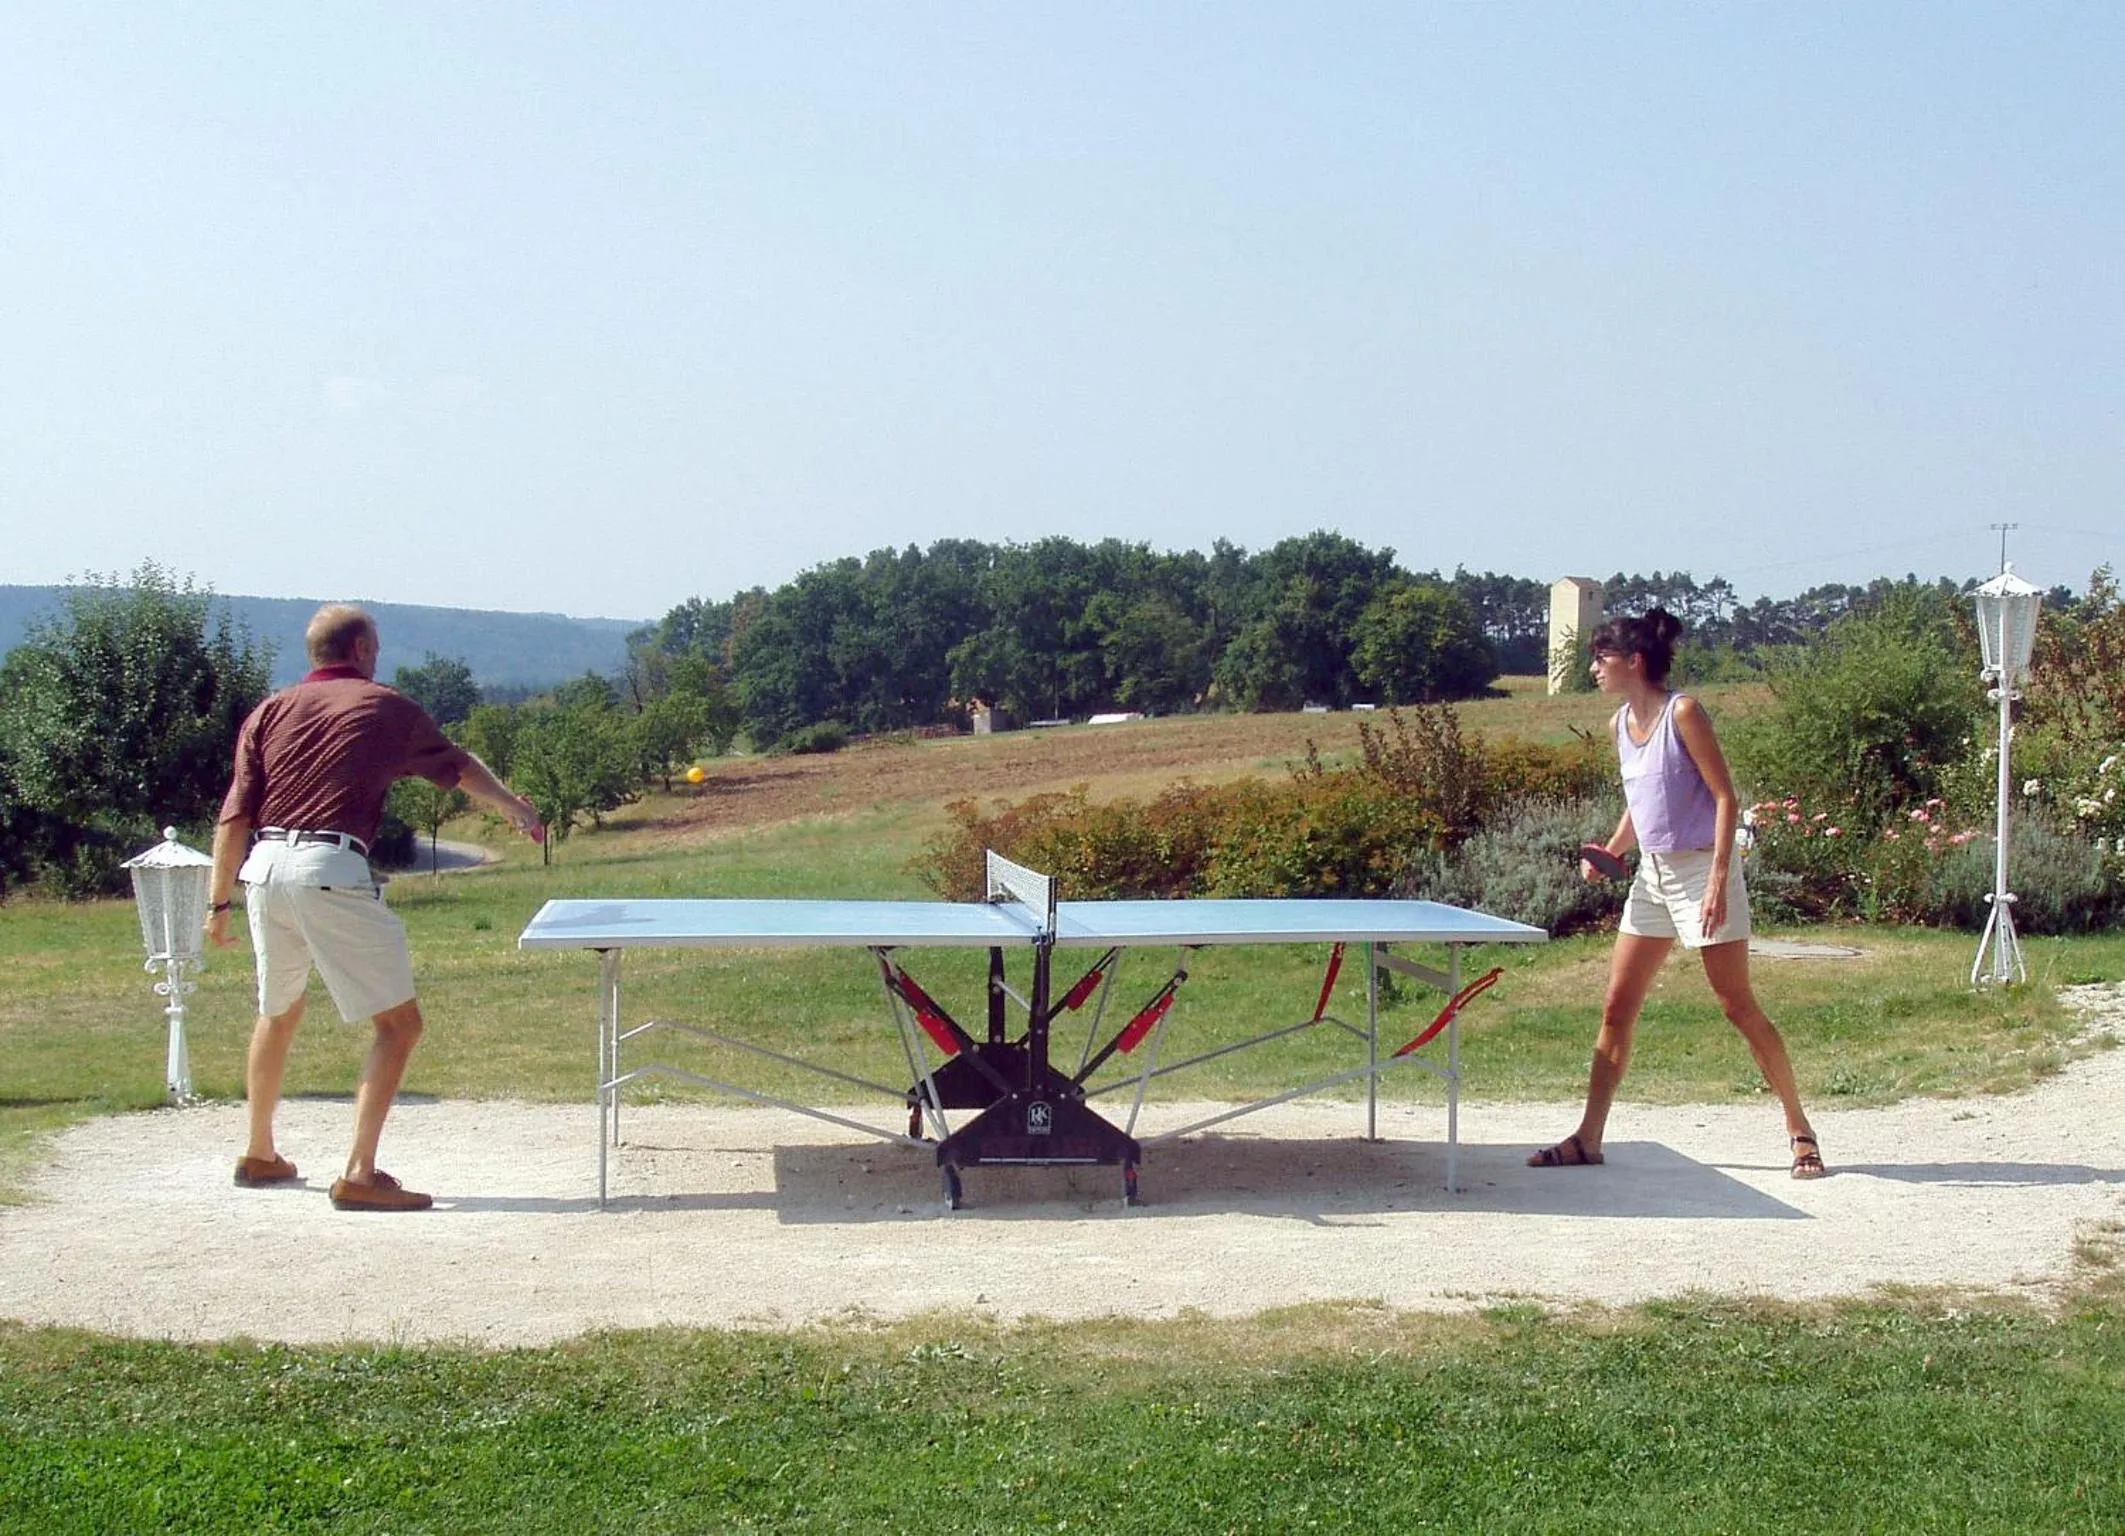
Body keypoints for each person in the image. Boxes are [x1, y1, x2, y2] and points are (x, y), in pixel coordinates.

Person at [205, 604, 545, 1211]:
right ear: (361, 649)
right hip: (328, 868)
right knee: (398, 1024)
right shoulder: (384, 707)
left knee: (277, 1010)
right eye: (377, 645)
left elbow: (235, 816)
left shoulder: (268, 711)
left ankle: (260, 1153)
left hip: (263, 869)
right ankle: (360, 1173)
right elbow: (457, 767)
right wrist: (514, 809)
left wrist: (218, 901)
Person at [1529, 609, 1826, 1180]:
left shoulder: (1682, 712)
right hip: (1653, 877)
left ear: (1634, 662)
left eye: (1602, 657)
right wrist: (1613, 852)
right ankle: (1588, 1139)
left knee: (1736, 1005)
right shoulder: (1620, 724)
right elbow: (1640, 808)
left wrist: (1718, 878)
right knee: (1617, 1007)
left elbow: (1725, 799)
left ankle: (1801, 1131)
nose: (1594, 667)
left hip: (1701, 872)